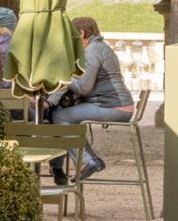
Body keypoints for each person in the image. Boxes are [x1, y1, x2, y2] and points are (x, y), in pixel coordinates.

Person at [52, 14, 136, 178]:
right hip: (116, 104)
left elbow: (83, 87)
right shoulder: (98, 47)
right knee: (65, 115)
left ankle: (88, 161)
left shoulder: (92, 51)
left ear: (81, 33)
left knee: (60, 116)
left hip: (113, 107)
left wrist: (64, 76)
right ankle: (86, 161)